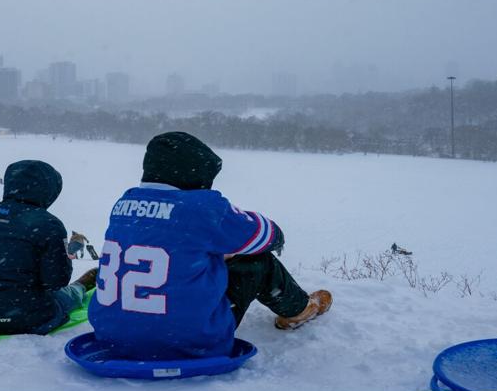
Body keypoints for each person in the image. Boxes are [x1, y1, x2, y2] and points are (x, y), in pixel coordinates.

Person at [89, 132, 332, 360]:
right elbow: (266, 235)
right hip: (189, 341)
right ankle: (298, 310)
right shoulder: (202, 208)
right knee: (258, 261)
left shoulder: (124, 203)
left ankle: (134, 327)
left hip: (112, 337)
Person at [0, 160, 88, 337]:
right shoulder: (49, 224)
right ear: (49, 191)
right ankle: (84, 286)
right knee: (69, 295)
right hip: (20, 318)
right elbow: (57, 281)